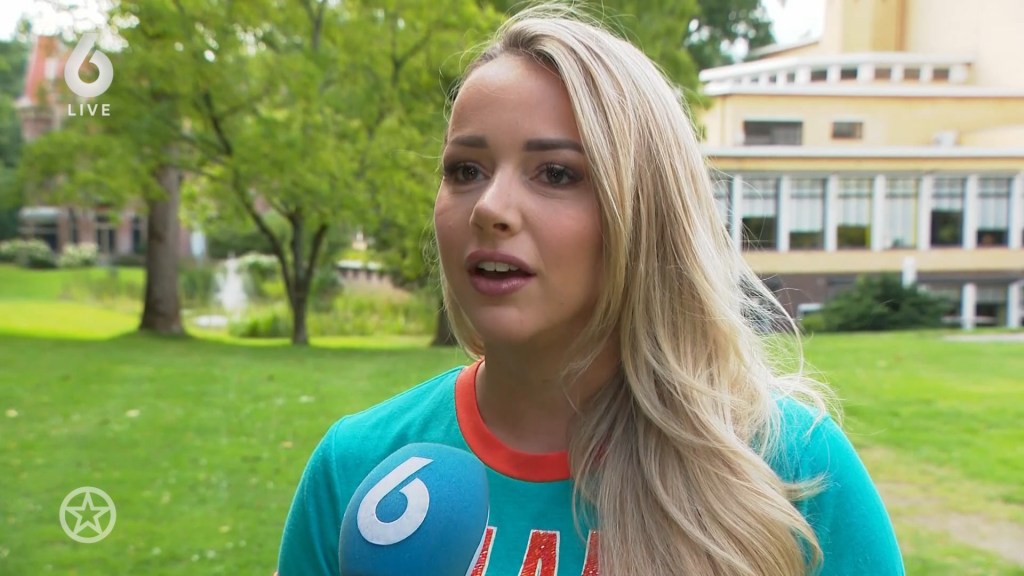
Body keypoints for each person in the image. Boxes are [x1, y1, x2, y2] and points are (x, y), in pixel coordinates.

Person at [276, 4, 905, 575]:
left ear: (645, 213)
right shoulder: (357, 469)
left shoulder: (790, 471)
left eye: (556, 173)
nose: (490, 207)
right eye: (466, 169)